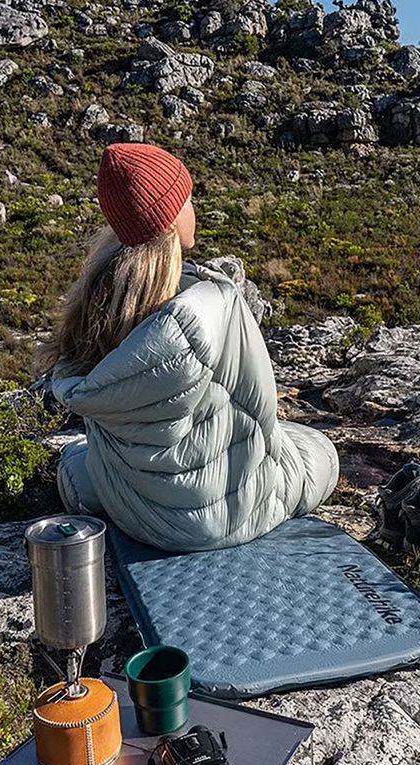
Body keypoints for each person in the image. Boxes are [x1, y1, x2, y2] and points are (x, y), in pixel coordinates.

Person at [42, 143, 339, 552]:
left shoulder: (98, 303)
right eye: (187, 198)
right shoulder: (214, 306)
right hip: (226, 515)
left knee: (78, 464)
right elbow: (259, 407)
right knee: (320, 452)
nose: (192, 208)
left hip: (135, 512)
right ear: (169, 218)